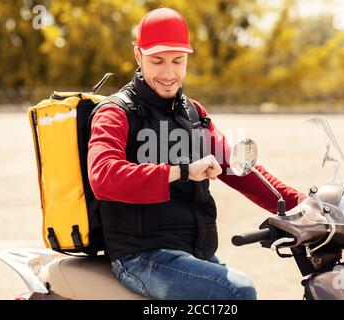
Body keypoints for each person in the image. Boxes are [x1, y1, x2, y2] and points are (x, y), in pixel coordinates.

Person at [87, 7, 304, 300]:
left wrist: (303, 205)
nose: (169, 73)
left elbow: (236, 167)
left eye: (178, 61)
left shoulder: (192, 112)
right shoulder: (115, 112)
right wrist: (183, 170)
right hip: (140, 256)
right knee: (238, 291)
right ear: (138, 56)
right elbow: (103, 177)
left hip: (192, 253)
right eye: (157, 60)